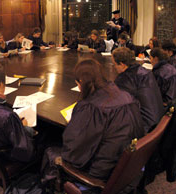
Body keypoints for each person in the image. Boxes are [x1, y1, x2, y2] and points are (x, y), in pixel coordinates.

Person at [42, 59, 145, 193]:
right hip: (127, 167)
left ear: (80, 83)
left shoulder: (91, 108)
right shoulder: (127, 96)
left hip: (101, 174)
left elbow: (73, 153)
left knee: (49, 150)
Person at [113, 47, 164, 132]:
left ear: (122, 64)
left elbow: (117, 106)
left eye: (114, 64)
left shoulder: (124, 79)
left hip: (145, 128)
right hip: (158, 121)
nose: (114, 67)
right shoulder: (146, 72)